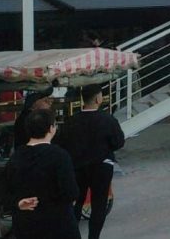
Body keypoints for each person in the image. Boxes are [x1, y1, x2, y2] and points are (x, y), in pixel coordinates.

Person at [57, 84, 124, 239]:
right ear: (97, 98)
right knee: (99, 204)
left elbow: (62, 144)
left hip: (78, 167)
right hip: (101, 166)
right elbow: (118, 142)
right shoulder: (108, 120)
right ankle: (94, 236)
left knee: (77, 202)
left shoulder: (71, 121)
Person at [5, 109, 81, 239]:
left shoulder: (16, 158)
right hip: (58, 223)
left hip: (26, 224)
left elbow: (6, 191)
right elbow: (70, 192)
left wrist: (18, 203)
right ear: (51, 128)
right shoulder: (59, 156)